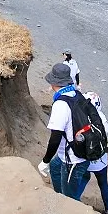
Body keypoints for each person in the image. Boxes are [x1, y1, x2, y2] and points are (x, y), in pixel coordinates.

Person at [37, 64, 89, 200]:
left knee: (70, 198)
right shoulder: (77, 94)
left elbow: (55, 138)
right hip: (80, 147)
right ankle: (61, 197)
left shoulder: (61, 105)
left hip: (73, 158)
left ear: (54, 83)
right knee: (55, 168)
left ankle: (67, 204)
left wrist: (45, 160)